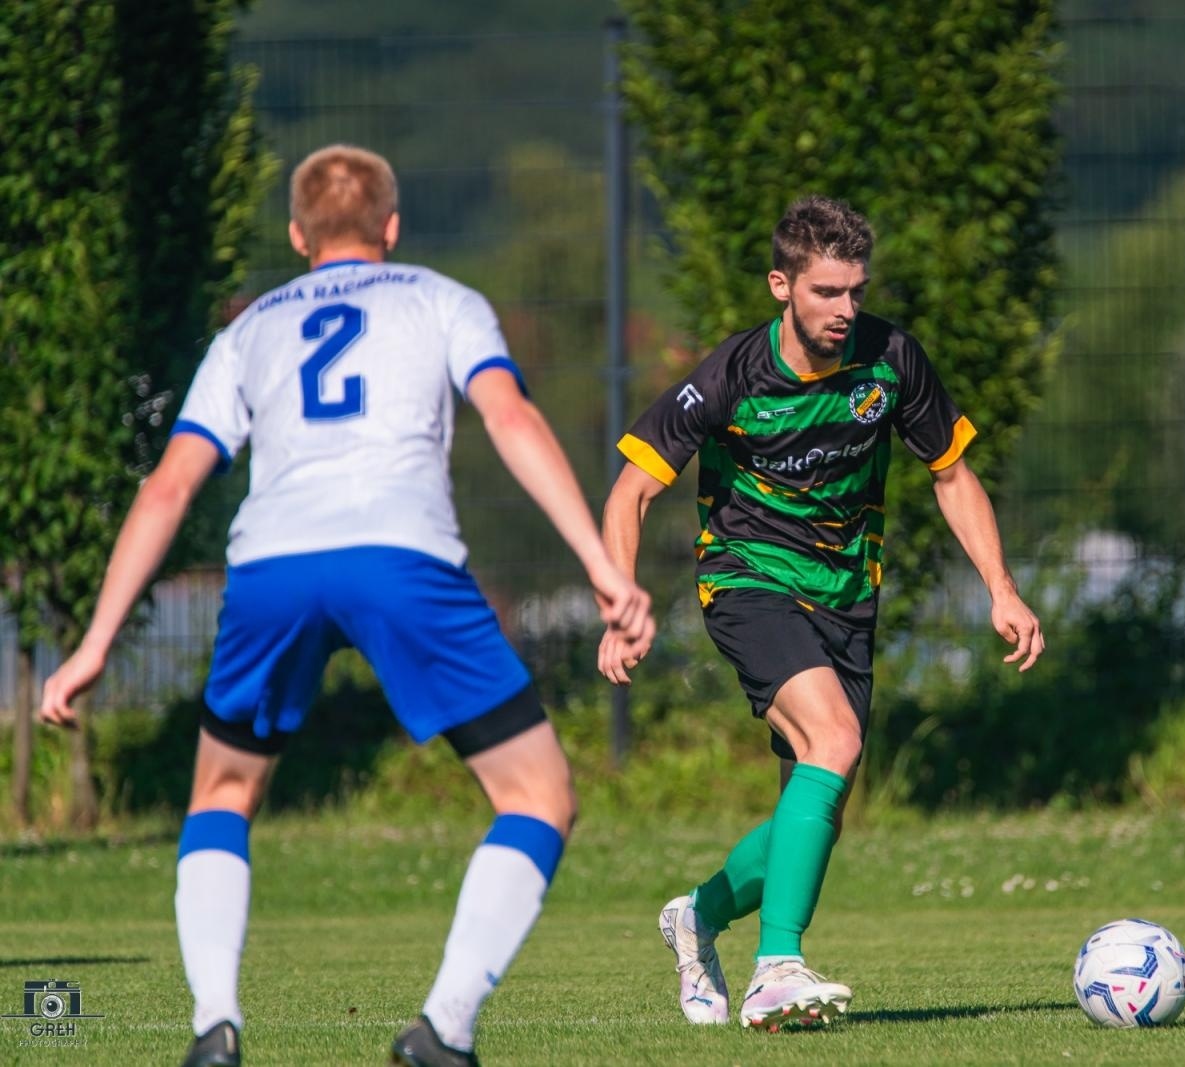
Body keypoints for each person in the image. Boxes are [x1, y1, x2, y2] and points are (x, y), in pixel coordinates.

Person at [38, 144, 654, 1067]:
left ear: (297, 235)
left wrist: (92, 646)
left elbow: (169, 485)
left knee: (223, 791)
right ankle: (444, 1029)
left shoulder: (246, 333)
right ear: (392, 228)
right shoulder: (444, 299)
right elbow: (513, 419)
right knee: (538, 794)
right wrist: (601, 563)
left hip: (272, 566)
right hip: (400, 557)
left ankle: (215, 1023)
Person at [597, 195, 1044, 1029]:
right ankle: (777, 967)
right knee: (833, 740)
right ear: (782, 285)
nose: (845, 311)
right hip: (748, 579)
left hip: (847, 598)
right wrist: (622, 600)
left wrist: (1002, 587)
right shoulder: (730, 375)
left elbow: (951, 473)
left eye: (855, 292)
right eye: (826, 293)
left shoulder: (891, 360)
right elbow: (632, 489)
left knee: (818, 805)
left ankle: (697, 915)